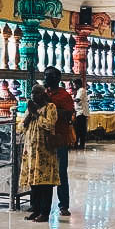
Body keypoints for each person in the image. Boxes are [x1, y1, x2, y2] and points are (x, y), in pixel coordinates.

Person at [19, 84, 59, 222]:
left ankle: (44, 212)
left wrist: (36, 114)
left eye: (36, 93)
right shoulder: (31, 109)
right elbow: (20, 128)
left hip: (45, 151)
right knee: (34, 183)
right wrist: (29, 116)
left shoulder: (50, 107)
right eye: (32, 93)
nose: (33, 96)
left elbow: (50, 124)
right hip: (31, 151)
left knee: (45, 183)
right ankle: (35, 210)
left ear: (42, 94)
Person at [44, 66, 75, 217]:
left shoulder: (63, 95)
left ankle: (63, 205)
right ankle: (41, 205)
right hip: (43, 139)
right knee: (43, 171)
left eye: (49, 76)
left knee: (61, 172)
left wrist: (51, 106)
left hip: (59, 138)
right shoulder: (43, 93)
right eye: (45, 75)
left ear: (57, 79)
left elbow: (69, 114)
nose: (45, 78)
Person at [73, 78, 89, 150]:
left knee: (80, 130)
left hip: (81, 113)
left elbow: (77, 100)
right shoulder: (79, 91)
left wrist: (69, 98)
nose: (74, 86)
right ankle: (77, 143)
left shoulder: (82, 90)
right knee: (79, 129)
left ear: (77, 84)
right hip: (79, 112)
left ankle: (81, 144)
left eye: (74, 85)